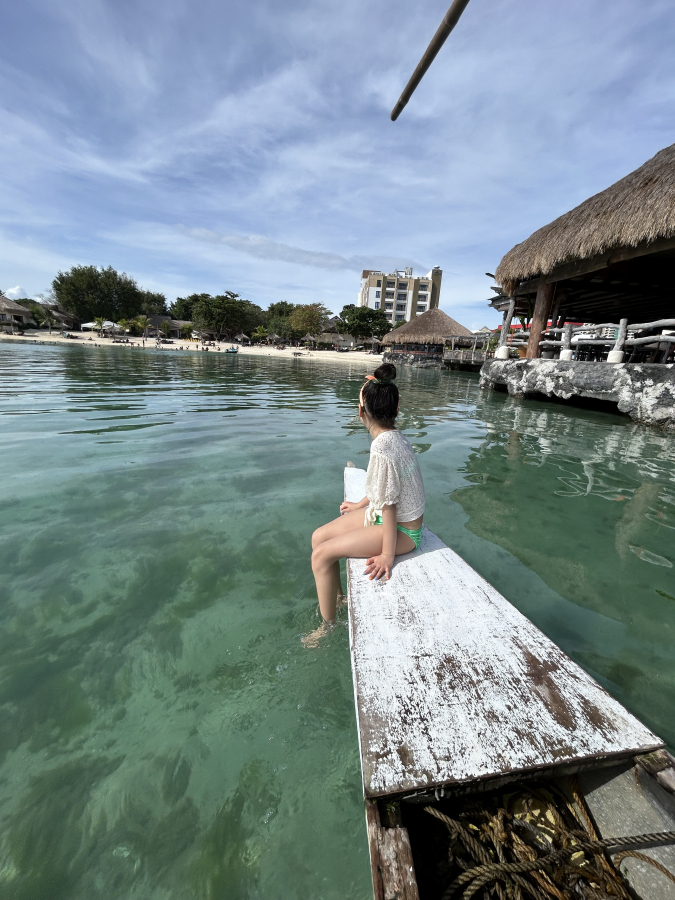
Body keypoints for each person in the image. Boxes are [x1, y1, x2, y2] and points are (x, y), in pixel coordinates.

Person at [303, 363, 424, 647]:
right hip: (387, 518)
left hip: (403, 532)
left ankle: (327, 626)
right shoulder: (395, 438)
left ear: (361, 412)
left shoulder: (382, 447)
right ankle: (338, 599)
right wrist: (361, 504)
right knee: (319, 537)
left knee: (320, 555)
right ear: (396, 410)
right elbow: (386, 485)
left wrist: (387, 555)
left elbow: (390, 504)